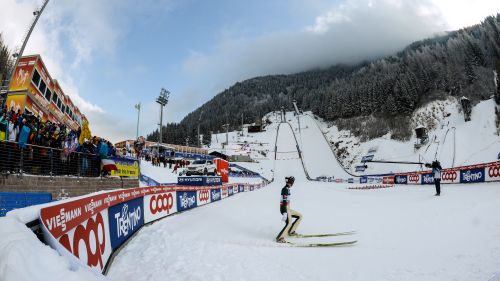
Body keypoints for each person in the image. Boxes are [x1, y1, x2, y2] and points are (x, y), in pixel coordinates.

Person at [276, 176, 303, 243]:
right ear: (289, 182)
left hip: (288, 209)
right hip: (284, 209)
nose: (292, 183)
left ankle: (291, 232)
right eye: (291, 182)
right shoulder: (285, 189)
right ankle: (279, 238)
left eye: (292, 182)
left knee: (300, 216)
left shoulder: (287, 189)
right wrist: (285, 212)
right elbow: (284, 201)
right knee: (289, 223)